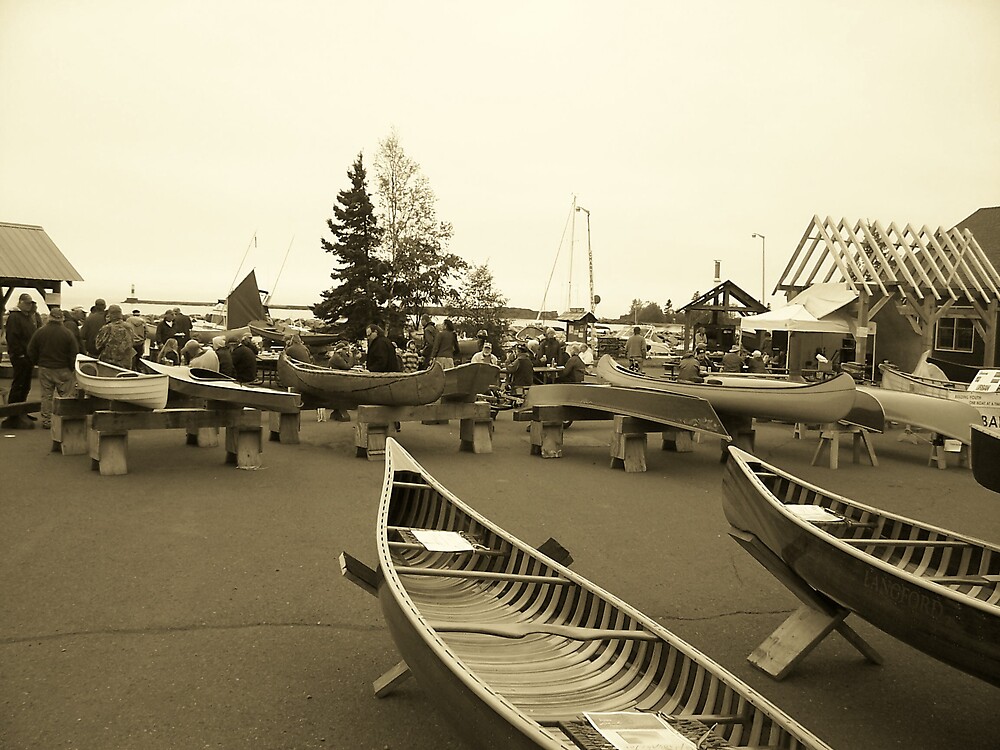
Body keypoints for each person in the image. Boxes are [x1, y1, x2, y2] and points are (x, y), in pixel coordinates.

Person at [26, 308, 78, 429]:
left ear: (50, 317)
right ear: (62, 318)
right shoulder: (67, 333)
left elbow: (31, 350)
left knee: (46, 396)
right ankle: (65, 419)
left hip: (45, 367)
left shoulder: (40, 332)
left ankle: (47, 420)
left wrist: (37, 362)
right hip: (63, 368)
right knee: (66, 396)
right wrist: (71, 367)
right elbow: (73, 352)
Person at [2, 293, 41, 427]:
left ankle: (22, 410)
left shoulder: (27, 317)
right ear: (21, 302)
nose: (30, 306)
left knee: (25, 385)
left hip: (27, 356)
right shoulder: (14, 317)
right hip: (20, 356)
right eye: (28, 303)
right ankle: (13, 413)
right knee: (18, 384)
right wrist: (19, 354)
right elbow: (12, 337)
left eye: (31, 303)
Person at [95, 305, 136, 369]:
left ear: (110, 315)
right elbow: (132, 342)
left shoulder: (107, 328)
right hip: (126, 364)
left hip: (109, 364)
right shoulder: (129, 327)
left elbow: (98, 345)